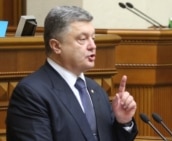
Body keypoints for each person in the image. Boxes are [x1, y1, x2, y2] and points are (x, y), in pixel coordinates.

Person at [6, 5, 138, 141]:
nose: (93, 45)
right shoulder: (32, 93)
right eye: (82, 39)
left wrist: (124, 122)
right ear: (56, 46)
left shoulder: (96, 90)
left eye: (93, 38)